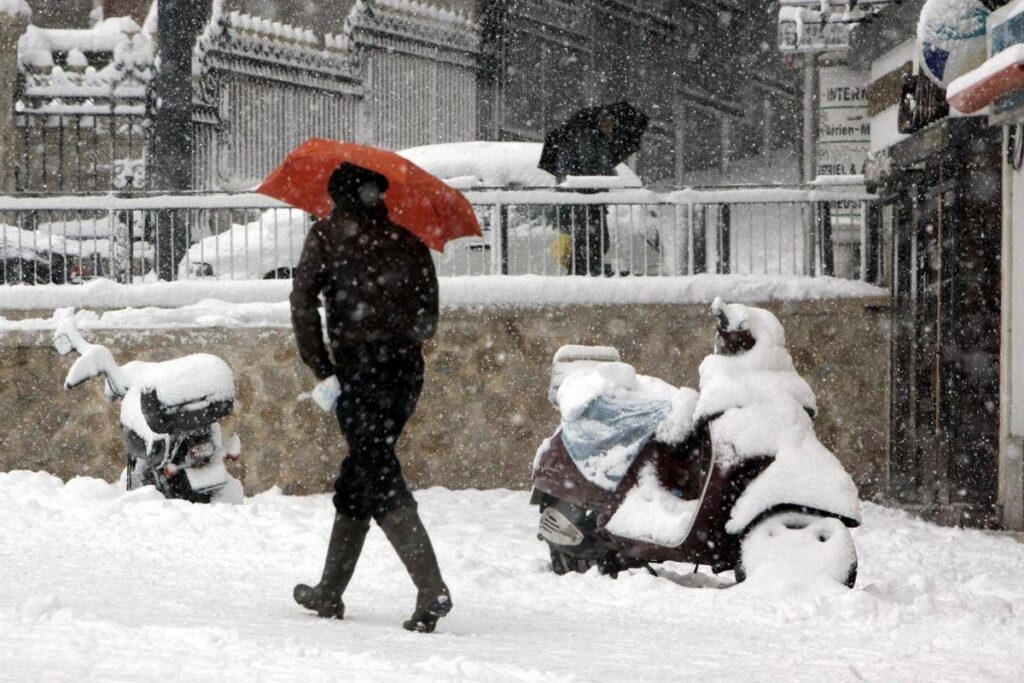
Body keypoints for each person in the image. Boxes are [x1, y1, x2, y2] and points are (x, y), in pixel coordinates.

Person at [289, 162, 452, 633]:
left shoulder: (327, 235)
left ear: (337, 195)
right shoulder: (407, 235)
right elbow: (429, 315)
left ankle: (431, 588)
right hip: (405, 373)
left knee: (376, 469)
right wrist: (400, 337)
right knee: (361, 472)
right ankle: (329, 591)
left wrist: (322, 367)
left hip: (358, 373)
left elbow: (302, 302)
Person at [554, 113, 617, 276]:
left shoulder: (596, 141)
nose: (610, 129)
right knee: (590, 244)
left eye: (611, 125)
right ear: (597, 124)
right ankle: (585, 275)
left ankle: (585, 274)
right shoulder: (587, 141)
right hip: (585, 203)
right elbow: (587, 170)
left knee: (593, 244)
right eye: (607, 124)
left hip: (588, 203)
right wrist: (605, 174)